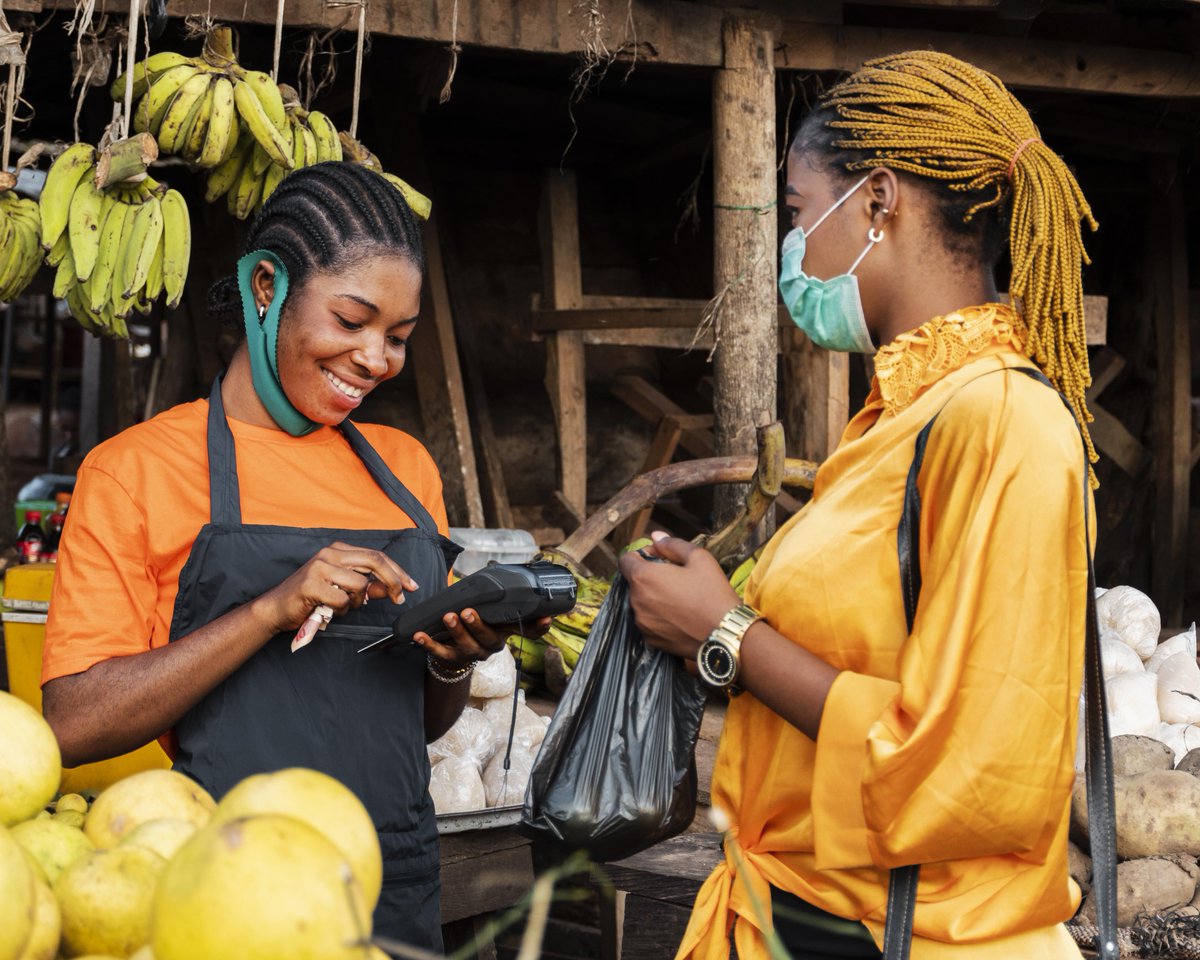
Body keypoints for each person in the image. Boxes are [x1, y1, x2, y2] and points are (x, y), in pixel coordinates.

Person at [620, 51, 1097, 959]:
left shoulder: (1005, 422)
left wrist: (727, 634)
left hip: (918, 935)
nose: (792, 251)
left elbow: (977, 769)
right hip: (817, 915)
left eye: (798, 215)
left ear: (879, 201)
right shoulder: (905, 417)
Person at [40, 161, 544, 951]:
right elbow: (72, 723)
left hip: (390, 878)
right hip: (227, 885)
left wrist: (451, 661)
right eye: (351, 321)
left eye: (399, 338)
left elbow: (414, 721)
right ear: (267, 286)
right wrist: (270, 610)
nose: (376, 359)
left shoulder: (405, 468)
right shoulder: (135, 472)